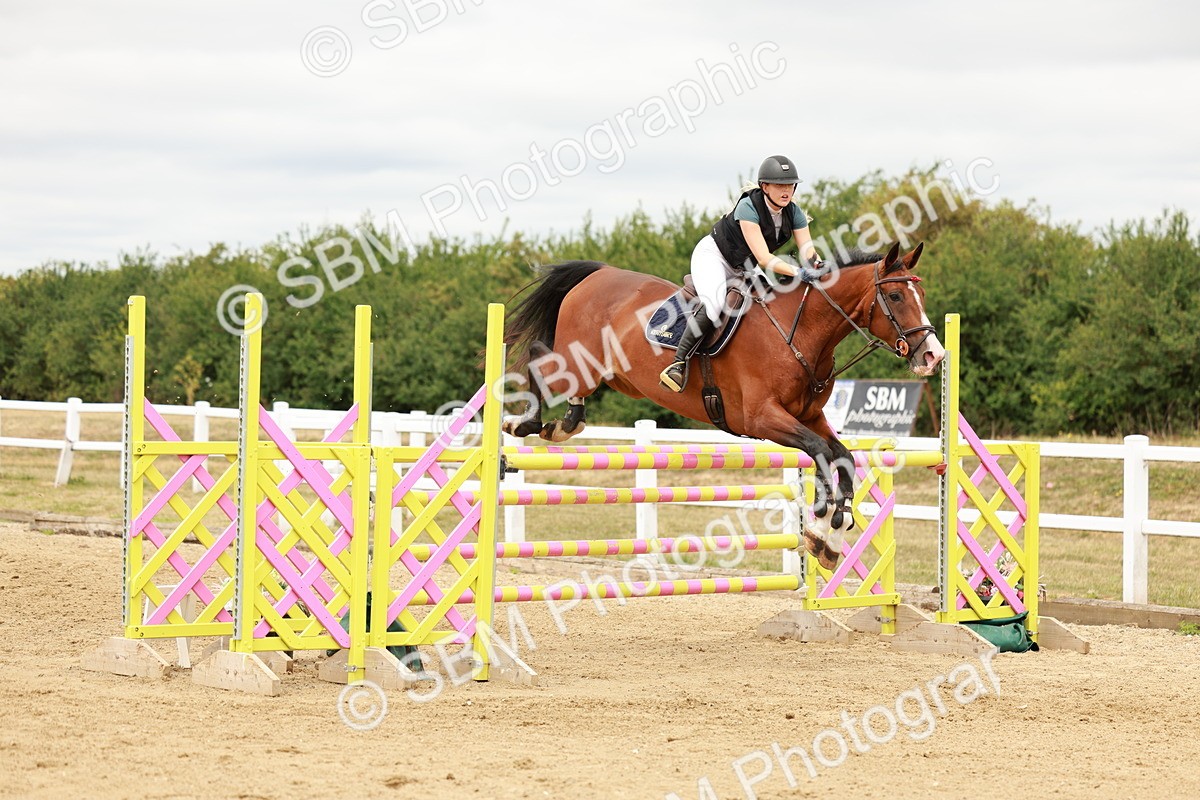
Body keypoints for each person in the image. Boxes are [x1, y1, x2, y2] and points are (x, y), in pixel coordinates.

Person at [659, 154, 821, 392]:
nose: (787, 191)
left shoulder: (794, 213)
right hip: (714, 257)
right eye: (780, 186)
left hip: (743, 266)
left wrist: (818, 265)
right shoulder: (748, 207)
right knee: (714, 304)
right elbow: (765, 258)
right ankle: (678, 364)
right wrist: (799, 272)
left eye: (790, 185)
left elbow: (808, 252)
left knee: (771, 302)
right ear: (765, 187)